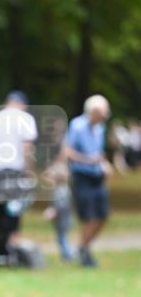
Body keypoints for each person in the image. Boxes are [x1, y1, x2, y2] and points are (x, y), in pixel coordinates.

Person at [0, 90, 37, 243]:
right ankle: (12, 242)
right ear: (22, 104)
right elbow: (27, 147)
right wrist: (30, 171)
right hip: (15, 170)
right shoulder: (26, 119)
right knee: (14, 209)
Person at [64, 94, 112, 267]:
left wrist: (104, 165)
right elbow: (68, 152)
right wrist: (88, 160)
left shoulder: (100, 129)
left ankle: (83, 247)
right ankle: (84, 253)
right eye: (103, 113)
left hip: (97, 177)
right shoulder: (77, 126)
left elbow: (98, 154)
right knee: (89, 217)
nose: (105, 117)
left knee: (103, 215)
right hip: (81, 176)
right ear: (94, 111)